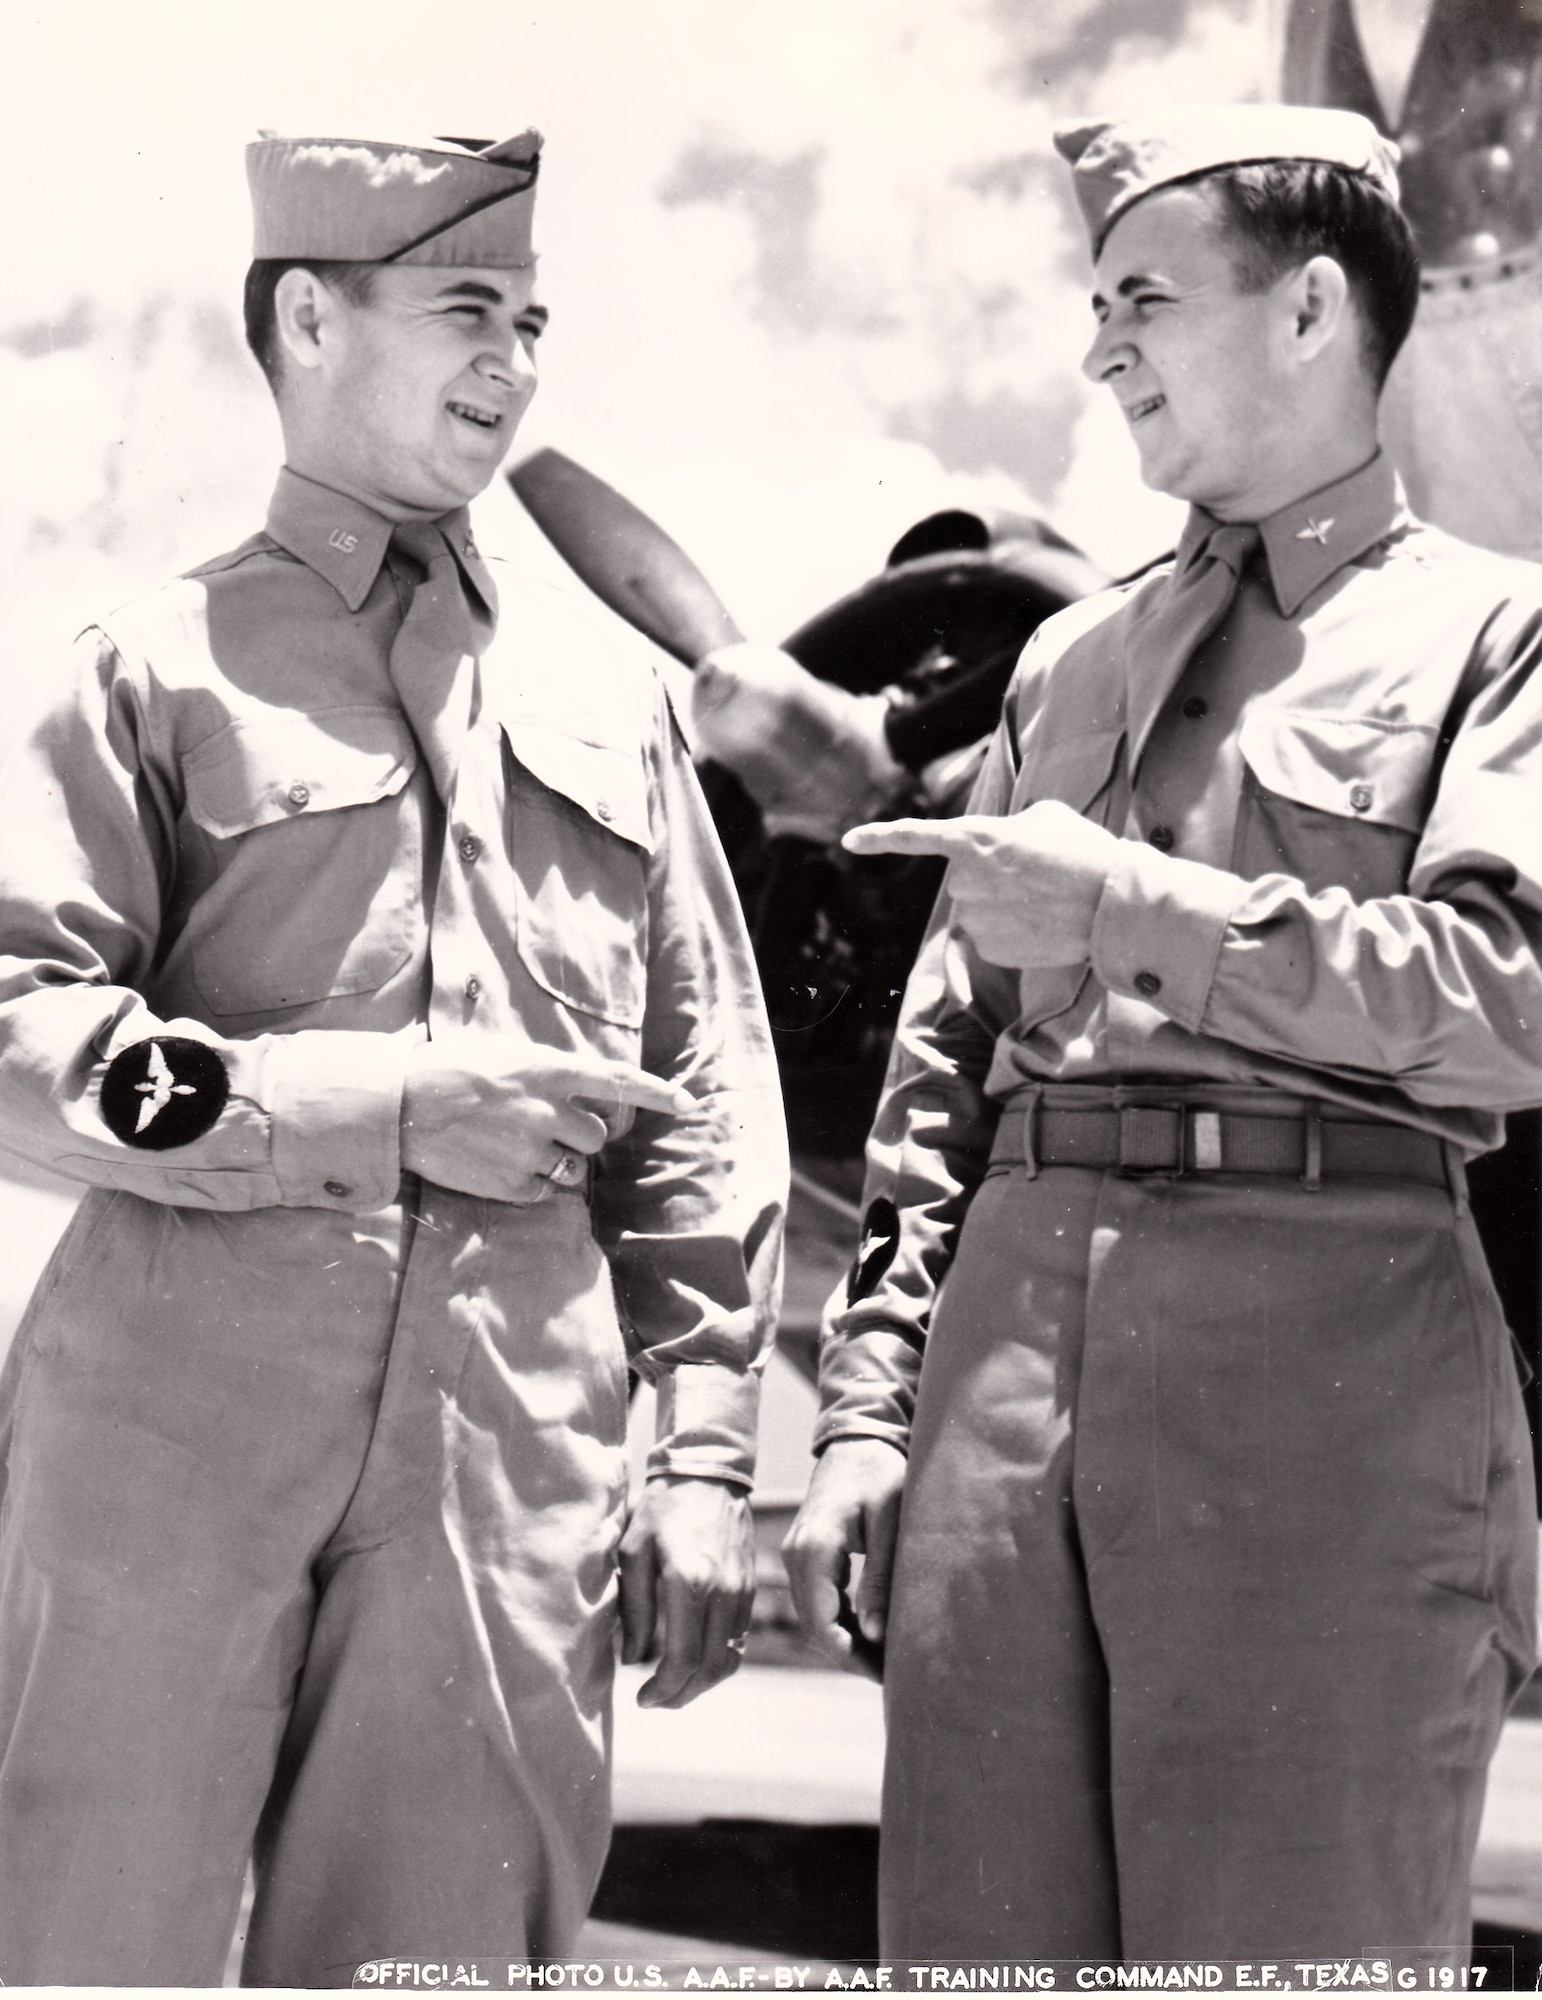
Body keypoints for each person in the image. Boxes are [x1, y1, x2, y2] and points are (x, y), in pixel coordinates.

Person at [0, 129, 785, 1985]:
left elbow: (699, 1101)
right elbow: (19, 1033)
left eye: (529, 318)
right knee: (78, 1950)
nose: (511, 360)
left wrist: (697, 1452)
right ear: (307, 319)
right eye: (462, 312)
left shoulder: (616, 706)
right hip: (164, 1432)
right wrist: (367, 1109)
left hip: (514, 1450)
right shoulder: (146, 663)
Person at [783, 102, 1540, 1961]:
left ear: (1303, 311)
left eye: (1139, 296)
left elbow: (1506, 1006)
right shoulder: (1065, 661)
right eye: (1089, 300)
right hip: (999, 1389)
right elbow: (938, 1063)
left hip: (1329, 1353)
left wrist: (1132, 913)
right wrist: (869, 1412)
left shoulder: (1494, 638)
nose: (1096, 344)